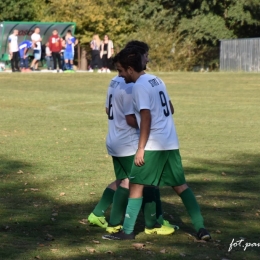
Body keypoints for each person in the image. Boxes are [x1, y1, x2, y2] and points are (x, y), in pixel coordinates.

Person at [102, 46, 211, 241]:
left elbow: (146, 118)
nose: (120, 76)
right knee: (181, 186)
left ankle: (127, 232)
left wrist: (141, 148)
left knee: (135, 184)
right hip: (170, 142)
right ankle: (201, 228)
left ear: (130, 69)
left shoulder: (139, 86)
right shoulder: (157, 79)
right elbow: (171, 107)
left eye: (121, 71)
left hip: (153, 144)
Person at [88, 41, 177, 237]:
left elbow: (107, 109)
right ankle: (150, 223)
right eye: (146, 55)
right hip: (128, 141)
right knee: (140, 182)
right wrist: (150, 131)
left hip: (114, 137)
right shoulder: (130, 84)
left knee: (125, 180)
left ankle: (98, 213)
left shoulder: (115, 80)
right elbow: (131, 118)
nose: (147, 59)